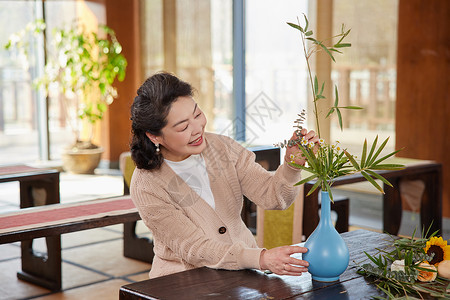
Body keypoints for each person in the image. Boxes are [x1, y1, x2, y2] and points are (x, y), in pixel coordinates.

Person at [129, 71, 319, 279]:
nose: (197, 129)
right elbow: (195, 248)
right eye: (183, 126)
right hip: (183, 282)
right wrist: (261, 259)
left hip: (243, 275)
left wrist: (292, 165)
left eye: (197, 114)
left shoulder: (223, 148)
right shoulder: (147, 184)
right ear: (154, 136)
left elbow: (273, 197)